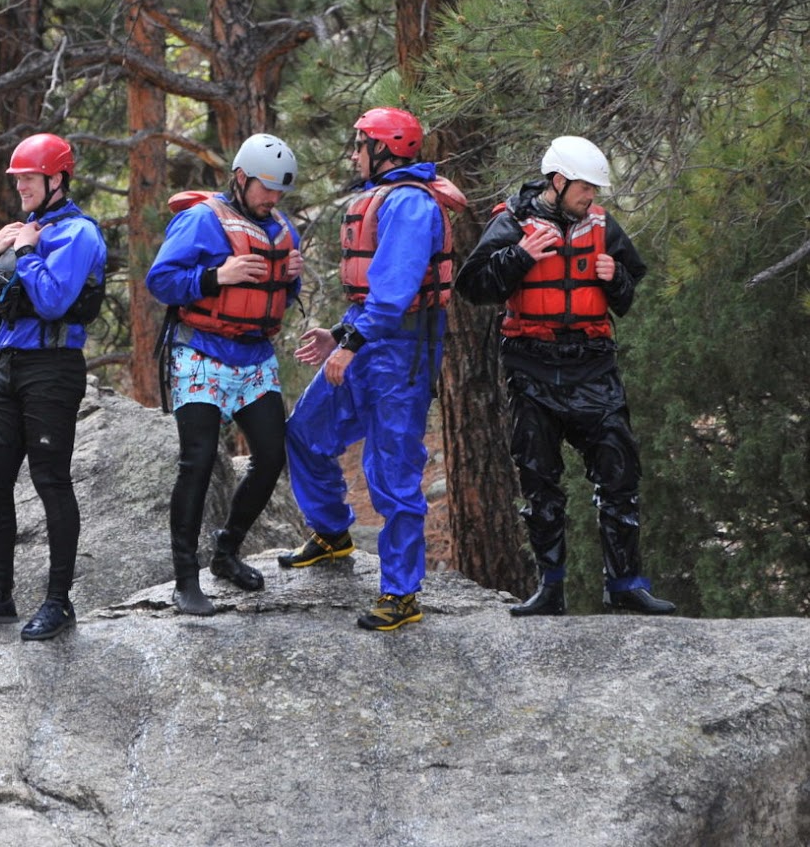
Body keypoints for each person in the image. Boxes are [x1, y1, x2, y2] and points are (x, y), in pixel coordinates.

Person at [454, 136, 675, 616]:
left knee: (620, 476)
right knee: (540, 483)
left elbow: (627, 295)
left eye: (595, 189)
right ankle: (550, 589)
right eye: (585, 188)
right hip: (532, 368)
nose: (592, 197)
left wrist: (613, 275)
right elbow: (471, 287)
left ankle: (624, 587)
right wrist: (520, 256)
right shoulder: (511, 223)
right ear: (558, 182)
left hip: (594, 367)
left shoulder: (602, 225)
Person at [277, 108, 466, 631]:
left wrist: (350, 345)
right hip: (368, 343)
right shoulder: (384, 198)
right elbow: (370, 300)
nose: (354, 154)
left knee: (392, 472)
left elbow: (395, 295)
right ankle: (333, 534)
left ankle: (402, 593)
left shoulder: (408, 205)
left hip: (401, 355)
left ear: (386, 150)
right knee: (306, 432)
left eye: (360, 146)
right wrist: (339, 336)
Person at [0, 133, 107, 641]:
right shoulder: (26, 230)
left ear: (56, 179)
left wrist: (28, 253)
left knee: (50, 481)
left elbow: (56, 299)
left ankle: (58, 602)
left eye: (29, 179)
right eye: (17, 179)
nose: (21, 187)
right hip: (11, 363)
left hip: (53, 367)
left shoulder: (79, 234)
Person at [146, 135, 304, 616]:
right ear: (240, 177)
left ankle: (226, 552)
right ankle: (185, 579)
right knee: (196, 461)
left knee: (273, 454)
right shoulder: (200, 220)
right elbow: (160, 281)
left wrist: (292, 274)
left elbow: (280, 295)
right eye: (264, 188)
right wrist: (217, 276)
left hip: (254, 357)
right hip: (199, 352)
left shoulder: (282, 228)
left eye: (279, 191)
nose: (272, 199)